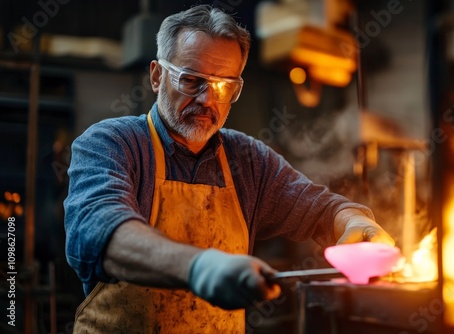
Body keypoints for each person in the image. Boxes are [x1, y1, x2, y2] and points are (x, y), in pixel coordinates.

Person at [64, 4, 394, 333]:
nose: (208, 99)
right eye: (191, 81)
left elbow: (321, 210)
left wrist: (356, 222)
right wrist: (198, 267)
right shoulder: (112, 144)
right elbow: (100, 235)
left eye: (225, 87)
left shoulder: (248, 160)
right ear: (156, 76)